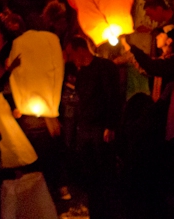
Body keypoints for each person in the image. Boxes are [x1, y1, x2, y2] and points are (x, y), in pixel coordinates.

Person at [62, 36, 121, 219]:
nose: (71, 59)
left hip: (100, 130)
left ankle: (108, 212)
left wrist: (110, 126)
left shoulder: (104, 67)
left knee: (104, 175)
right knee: (91, 177)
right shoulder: (82, 73)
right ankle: (96, 212)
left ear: (80, 49)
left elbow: (113, 97)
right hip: (86, 130)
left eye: (71, 54)